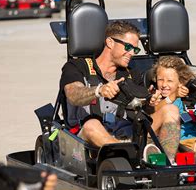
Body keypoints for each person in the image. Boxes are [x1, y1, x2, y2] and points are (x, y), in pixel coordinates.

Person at [60, 20, 181, 163]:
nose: (131, 53)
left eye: (135, 50)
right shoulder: (77, 66)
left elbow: (144, 107)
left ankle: (168, 163)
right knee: (92, 125)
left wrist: (151, 102)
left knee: (171, 110)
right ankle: (130, 155)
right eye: (128, 47)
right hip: (86, 137)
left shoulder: (130, 73)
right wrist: (99, 90)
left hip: (127, 135)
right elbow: (73, 94)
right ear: (110, 42)